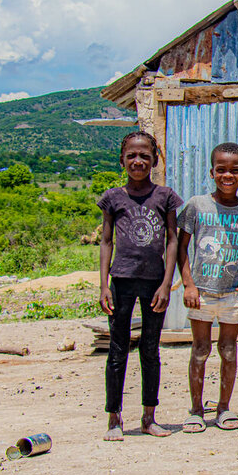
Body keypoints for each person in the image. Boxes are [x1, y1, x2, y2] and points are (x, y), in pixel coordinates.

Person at [98, 131, 182, 441]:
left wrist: (166, 283)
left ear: (154, 160)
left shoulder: (165, 196)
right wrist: (104, 285)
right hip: (121, 280)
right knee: (118, 350)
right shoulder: (113, 198)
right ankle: (114, 419)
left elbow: (172, 240)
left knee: (150, 349)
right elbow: (107, 241)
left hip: (153, 282)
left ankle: (149, 416)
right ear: (122, 160)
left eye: (145, 156)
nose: (138, 161)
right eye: (132, 155)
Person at [176, 142, 238, 432]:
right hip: (200, 292)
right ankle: (196, 410)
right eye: (221, 170)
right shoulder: (197, 205)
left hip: (231, 294)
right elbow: (180, 247)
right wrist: (188, 284)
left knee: (228, 350)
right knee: (200, 350)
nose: (228, 175)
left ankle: (224, 408)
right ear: (211, 172)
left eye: (235, 171)